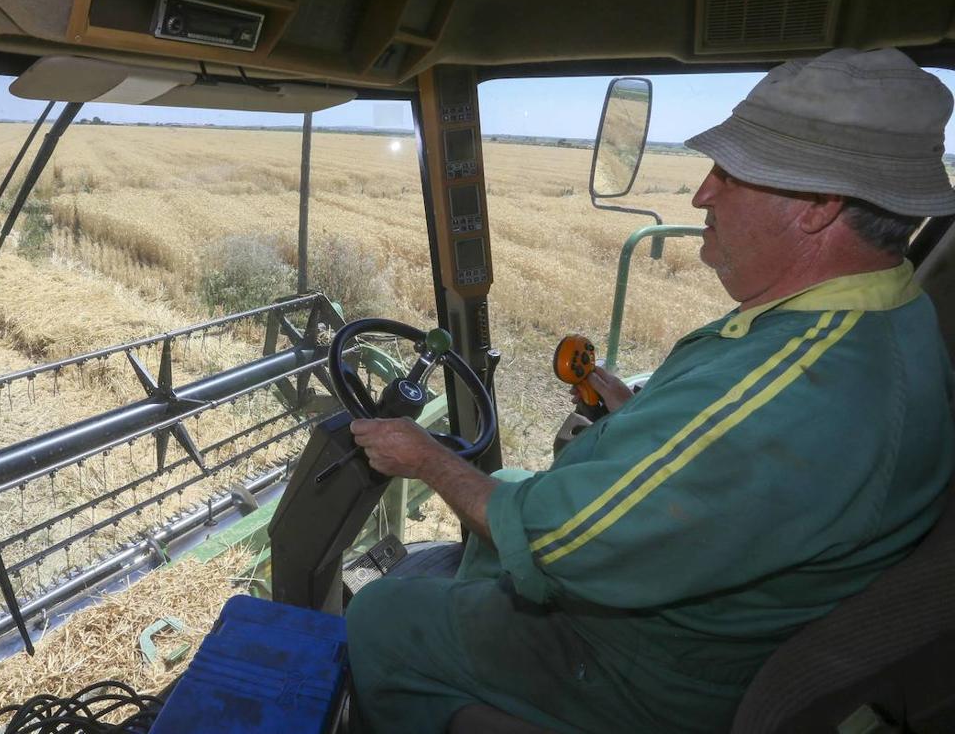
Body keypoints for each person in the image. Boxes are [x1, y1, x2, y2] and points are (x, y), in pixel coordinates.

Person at [344, 48, 955, 734]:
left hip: (651, 670)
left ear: (817, 206)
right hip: (730, 626)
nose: (701, 194)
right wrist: (642, 417)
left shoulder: (799, 388)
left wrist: (426, 458)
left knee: (382, 617)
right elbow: (736, 459)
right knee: (511, 479)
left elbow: (561, 543)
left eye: (731, 172)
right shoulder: (887, 317)